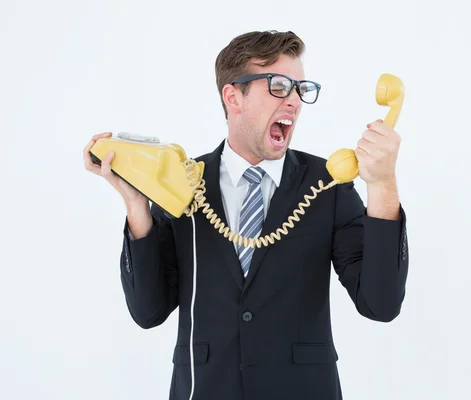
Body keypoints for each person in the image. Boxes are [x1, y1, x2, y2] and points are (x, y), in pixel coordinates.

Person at [83, 30, 409, 400]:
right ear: (233, 96)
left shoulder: (327, 184)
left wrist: (382, 185)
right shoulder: (184, 181)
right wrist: (137, 206)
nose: (294, 101)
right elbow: (148, 311)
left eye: (300, 88)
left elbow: (381, 304)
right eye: (279, 85)